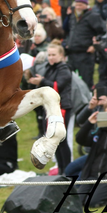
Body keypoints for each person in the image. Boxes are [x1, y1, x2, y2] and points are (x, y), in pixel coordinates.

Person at [28, 43, 73, 174]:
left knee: (61, 140)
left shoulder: (64, 68)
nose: (51, 57)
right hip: (51, 109)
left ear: (61, 55)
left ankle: (67, 171)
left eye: (54, 55)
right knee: (55, 141)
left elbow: (57, 86)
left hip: (62, 108)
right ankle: (61, 170)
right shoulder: (50, 68)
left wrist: (41, 82)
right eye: (49, 55)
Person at [64, 0, 106, 89]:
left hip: (85, 54)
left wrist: (94, 46)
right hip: (72, 54)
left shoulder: (93, 16)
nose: (78, 7)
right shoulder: (73, 16)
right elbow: (67, 30)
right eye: (77, 4)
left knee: (86, 82)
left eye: (81, 5)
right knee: (69, 81)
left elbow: (103, 31)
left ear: (86, 5)